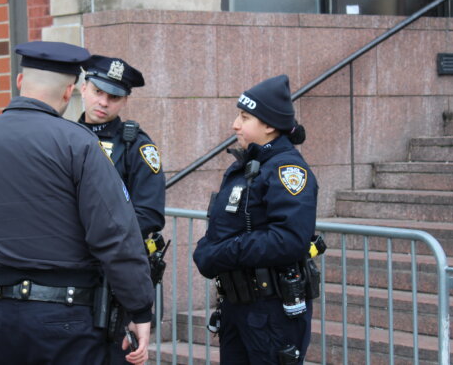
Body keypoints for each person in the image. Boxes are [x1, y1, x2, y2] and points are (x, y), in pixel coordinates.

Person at [0, 41, 154, 365]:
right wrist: (139, 307)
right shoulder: (79, 143)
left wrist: (8, 263)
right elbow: (114, 236)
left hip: (2, 316)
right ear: (71, 90)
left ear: (19, 81)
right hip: (67, 319)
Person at [192, 74, 318, 364]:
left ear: (269, 124)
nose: (235, 124)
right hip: (239, 306)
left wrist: (221, 253)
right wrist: (208, 248)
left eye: (245, 117)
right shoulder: (248, 166)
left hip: (270, 312)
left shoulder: (287, 170)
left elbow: (289, 240)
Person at [78, 55, 166, 364]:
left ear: (124, 101)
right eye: (98, 91)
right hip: (67, 277)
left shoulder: (136, 146)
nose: (103, 102)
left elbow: (149, 214)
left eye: (113, 96)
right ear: (83, 88)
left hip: (112, 280)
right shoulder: (61, 138)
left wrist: (97, 236)